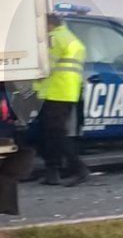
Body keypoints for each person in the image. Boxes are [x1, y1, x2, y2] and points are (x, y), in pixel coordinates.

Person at [35, 14, 90, 186]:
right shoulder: (71, 38)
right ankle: (53, 173)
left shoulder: (54, 38)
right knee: (50, 134)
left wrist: (31, 83)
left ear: (49, 25)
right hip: (67, 91)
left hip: (55, 91)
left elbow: (45, 67)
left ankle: (79, 168)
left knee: (56, 134)